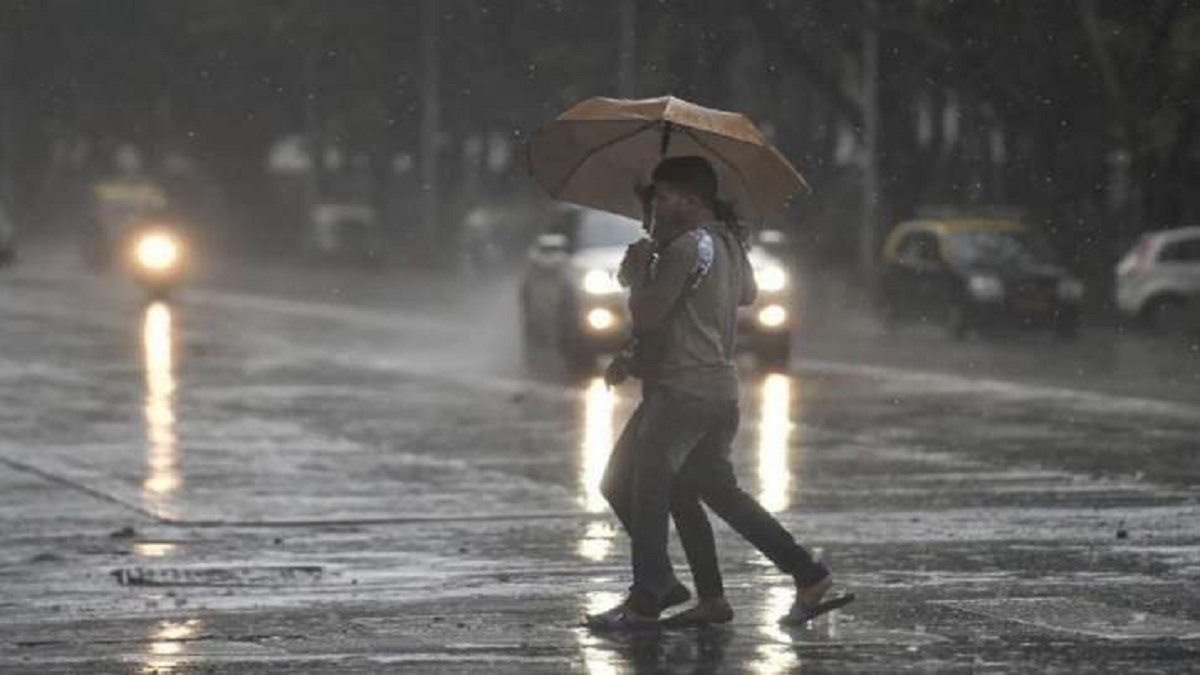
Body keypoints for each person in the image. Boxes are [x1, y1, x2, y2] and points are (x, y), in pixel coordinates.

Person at [586, 156, 850, 630]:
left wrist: (641, 269)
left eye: (664, 196)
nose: (657, 204)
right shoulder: (726, 241)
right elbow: (744, 295)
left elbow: (648, 315)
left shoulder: (686, 248)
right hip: (717, 390)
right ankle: (795, 577)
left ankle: (649, 596)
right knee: (704, 491)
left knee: (643, 491)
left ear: (690, 199)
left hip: (681, 392)